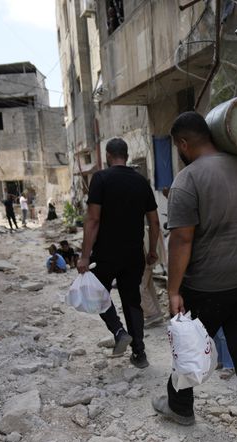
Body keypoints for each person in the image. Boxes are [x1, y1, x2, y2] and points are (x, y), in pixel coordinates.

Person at [151, 112, 237, 442]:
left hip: (212, 283)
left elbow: (181, 240)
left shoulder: (187, 179)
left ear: (182, 143)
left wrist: (174, 290)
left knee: (189, 344)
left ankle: (179, 407)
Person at [77, 138, 161, 369]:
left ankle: (118, 330)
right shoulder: (141, 182)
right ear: (127, 154)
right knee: (132, 300)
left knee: (98, 293)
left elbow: (93, 219)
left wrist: (85, 256)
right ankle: (140, 354)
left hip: (105, 253)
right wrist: (152, 250)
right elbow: (154, 221)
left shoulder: (101, 179)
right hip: (134, 253)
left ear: (107, 156)